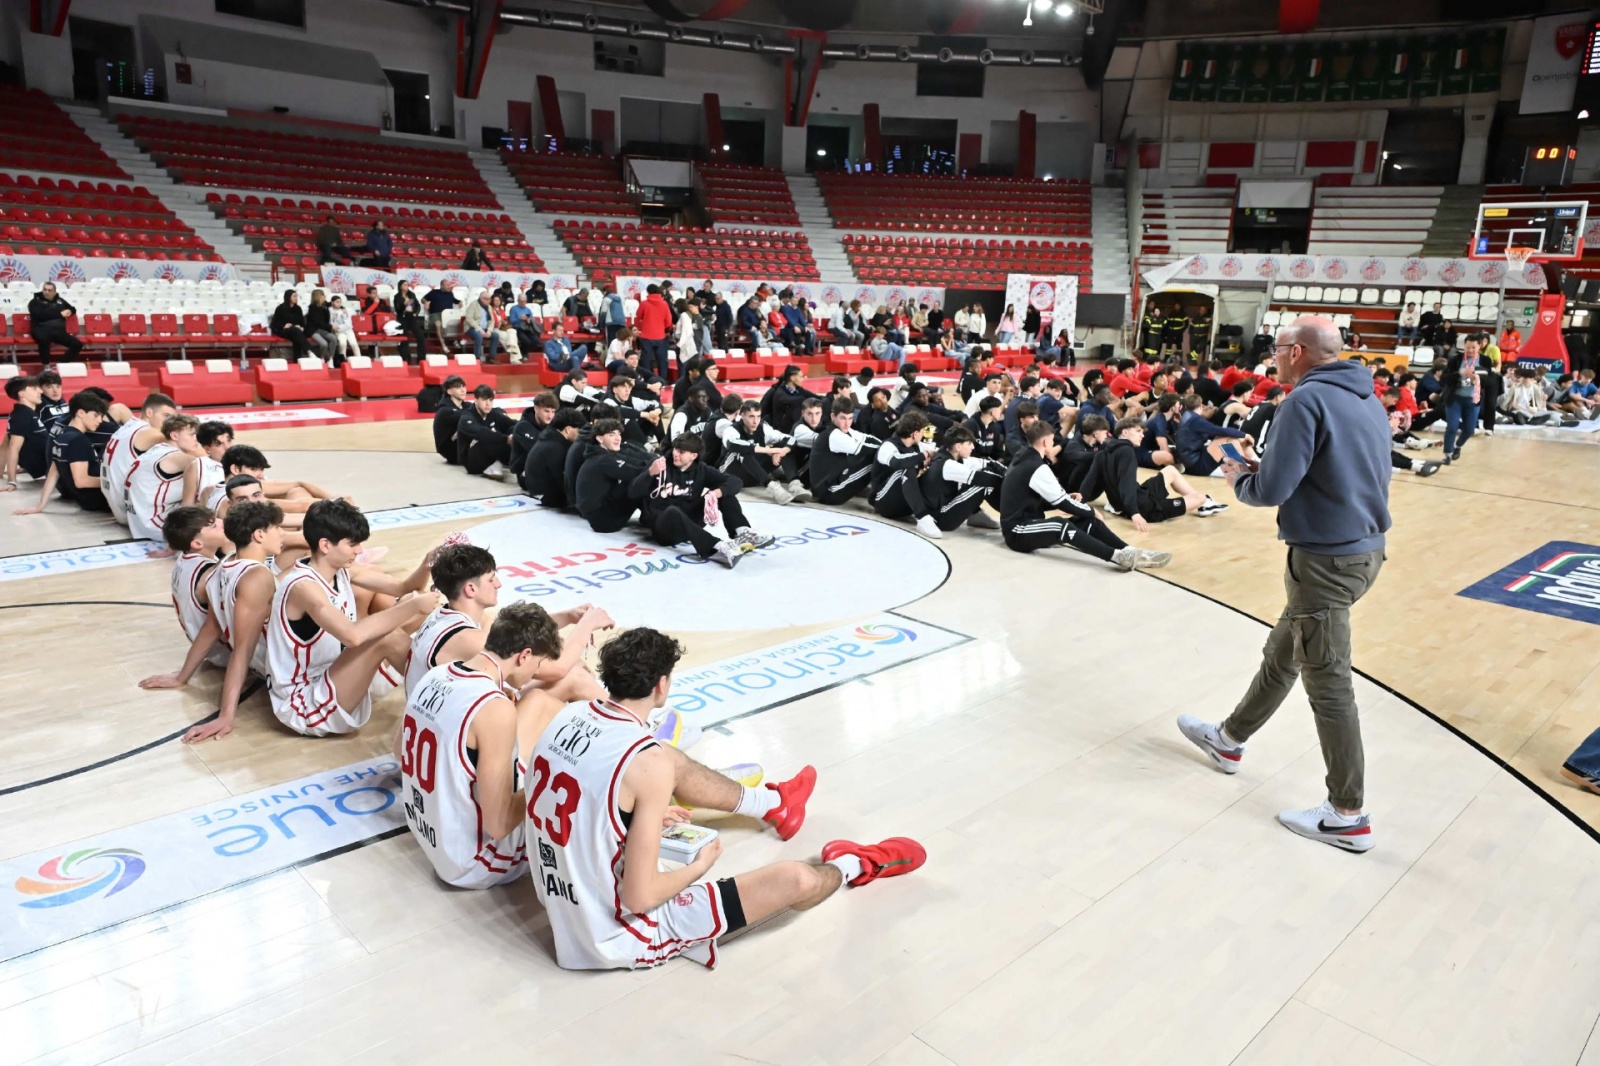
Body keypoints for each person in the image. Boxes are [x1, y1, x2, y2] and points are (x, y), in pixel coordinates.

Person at [527, 625, 922, 971]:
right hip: (617, 934)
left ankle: (773, 804)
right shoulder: (646, 762)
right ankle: (857, 864)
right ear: (661, 684)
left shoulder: (565, 716)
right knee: (797, 878)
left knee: (666, 760)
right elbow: (640, 896)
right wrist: (700, 866)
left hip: (561, 905)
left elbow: (583, 796)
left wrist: (635, 817)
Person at [1175, 314, 1390, 853]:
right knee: (1283, 651)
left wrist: (1238, 476)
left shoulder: (1303, 401)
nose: (1271, 354)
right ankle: (1228, 740)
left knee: (1329, 685)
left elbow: (1269, 490)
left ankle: (1348, 813)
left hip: (1324, 562)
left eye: (1276, 347)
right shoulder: (1365, 397)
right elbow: (1328, 469)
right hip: (1364, 552)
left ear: (1297, 352)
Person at [267, 500, 437, 737]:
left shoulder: (342, 571)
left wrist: (428, 563)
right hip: (304, 702)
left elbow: (404, 587)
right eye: (353, 544)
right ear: (325, 545)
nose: (359, 551)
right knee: (387, 634)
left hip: (334, 675)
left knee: (416, 617)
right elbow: (353, 636)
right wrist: (413, 605)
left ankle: (444, 694)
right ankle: (442, 703)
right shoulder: (302, 587)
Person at [138, 501, 285, 741]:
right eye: (277, 527)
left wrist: (182, 676)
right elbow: (242, 649)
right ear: (259, 534)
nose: (282, 532)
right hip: (277, 666)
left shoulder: (222, 566)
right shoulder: (253, 576)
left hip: (254, 659)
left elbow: (211, 628)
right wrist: (226, 715)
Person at [999, 421, 1167, 570]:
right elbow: (1063, 503)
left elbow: (1044, 500)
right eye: (1052, 440)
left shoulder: (1025, 459)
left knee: (1088, 522)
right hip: (1017, 531)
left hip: (1029, 523)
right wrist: (1090, 510)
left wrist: (1082, 510)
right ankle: (1116, 556)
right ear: (1045, 441)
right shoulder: (1035, 466)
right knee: (1061, 524)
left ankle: (1129, 550)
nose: (1054, 443)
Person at [632, 434, 775, 569]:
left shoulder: (701, 469)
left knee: (724, 494)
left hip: (690, 520)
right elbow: (632, 492)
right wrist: (650, 473)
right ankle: (718, 546)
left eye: (681, 452)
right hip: (664, 527)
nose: (675, 454)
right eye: (675, 449)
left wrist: (715, 493)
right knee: (672, 511)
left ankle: (742, 532)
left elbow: (735, 481)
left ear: (693, 456)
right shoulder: (659, 464)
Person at [1078, 417, 1226, 527]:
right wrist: (1135, 513)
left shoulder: (1102, 453)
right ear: (1125, 432)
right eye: (1138, 431)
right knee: (1200, 497)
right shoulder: (1127, 451)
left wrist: (1078, 503)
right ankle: (1205, 502)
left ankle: (1206, 504)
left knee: (1170, 470)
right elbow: (1126, 483)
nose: (1142, 435)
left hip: (1139, 495)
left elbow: (1088, 482)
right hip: (1146, 509)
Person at [13, 390, 111, 514]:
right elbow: (81, 481)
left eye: (101, 416)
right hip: (100, 500)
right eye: (96, 415)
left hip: (86, 501)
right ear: (81, 413)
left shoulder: (61, 436)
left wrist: (40, 505)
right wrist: (113, 482)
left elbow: (53, 473)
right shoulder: (78, 440)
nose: (100, 420)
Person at [126, 414, 202, 545]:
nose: (196, 439)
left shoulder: (156, 450)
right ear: (174, 436)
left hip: (138, 522)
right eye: (191, 435)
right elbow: (214, 468)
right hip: (157, 525)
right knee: (211, 492)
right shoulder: (176, 457)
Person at [916, 426, 1004, 538]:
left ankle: (975, 514)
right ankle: (1014, 516)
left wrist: (1004, 472)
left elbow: (988, 463)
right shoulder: (948, 464)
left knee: (989, 472)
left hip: (943, 509)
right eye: (969, 444)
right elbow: (985, 479)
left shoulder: (949, 456)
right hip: (941, 518)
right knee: (985, 484)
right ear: (958, 446)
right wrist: (1010, 481)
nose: (973, 447)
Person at [718, 400, 807, 505]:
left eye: (758, 416)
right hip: (731, 473)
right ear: (742, 415)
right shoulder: (732, 429)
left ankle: (794, 483)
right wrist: (769, 451)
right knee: (742, 451)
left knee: (783, 446)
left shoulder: (763, 428)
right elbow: (733, 445)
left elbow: (790, 439)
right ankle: (772, 487)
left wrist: (781, 452)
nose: (755, 421)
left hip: (755, 474)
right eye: (751, 416)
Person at [575, 418, 650, 532]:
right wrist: (653, 468)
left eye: (618, 433)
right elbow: (633, 472)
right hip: (604, 521)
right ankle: (651, 517)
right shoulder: (603, 460)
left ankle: (649, 515)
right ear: (600, 438)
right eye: (611, 434)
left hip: (597, 517)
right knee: (639, 481)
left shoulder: (599, 455)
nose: (618, 438)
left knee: (639, 478)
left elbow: (630, 462)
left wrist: (649, 462)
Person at [1, 376, 50, 489]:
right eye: (34, 388)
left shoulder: (27, 412)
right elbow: (13, 448)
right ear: (22, 394)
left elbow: (5, 442)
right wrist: (11, 481)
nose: (40, 391)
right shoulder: (22, 415)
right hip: (49, 468)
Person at [457, 385, 515, 477]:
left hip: (490, 453)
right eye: (484, 400)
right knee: (487, 436)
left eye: (490, 400)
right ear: (476, 400)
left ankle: (521, 464)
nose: (488, 404)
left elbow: (512, 423)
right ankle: (496, 464)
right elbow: (481, 433)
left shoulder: (493, 413)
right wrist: (506, 439)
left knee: (514, 431)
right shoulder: (466, 417)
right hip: (471, 462)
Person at [1439, 345, 1481, 464]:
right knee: (1452, 426)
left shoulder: (1485, 360)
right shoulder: (1455, 359)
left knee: (1469, 429)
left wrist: (1477, 379)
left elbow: (1490, 380)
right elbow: (1444, 378)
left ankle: (1458, 445)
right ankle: (1447, 454)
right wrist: (1459, 373)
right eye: (1468, 347)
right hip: (1455, 398)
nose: (1470, 350)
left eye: (1473, 348)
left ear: (1479, 347)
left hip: (1473, 399)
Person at [635, 283, 673, 380]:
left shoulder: (644, 304)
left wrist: (640, 328)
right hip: (660, 336)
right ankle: (662, 380)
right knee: (662, 360)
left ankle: (648, 380)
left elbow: (638, 317)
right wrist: (663, 327)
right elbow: (669, 321)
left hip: (646, 336)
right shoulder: (664, 304)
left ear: (648, 292)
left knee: (646, 360)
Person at [432, 376, 468, 465]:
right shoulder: (445, 410)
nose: (463, 390)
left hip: (460, 446)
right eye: (458, 387)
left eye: (463, 386)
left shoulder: (465, 406)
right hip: (452, 451)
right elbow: (468, 417)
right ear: (449, 391)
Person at [462, 291, 501, 363]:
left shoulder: (489, 307)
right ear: (481, 298)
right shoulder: (473, 305)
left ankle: (491, 357)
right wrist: (479, 329)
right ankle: (477, 358)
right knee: (479, 335)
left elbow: (491, 321)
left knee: (495, 335)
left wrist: (489, 330)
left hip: (484, 328)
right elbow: (469, 319)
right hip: (471, 328)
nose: (489, 301)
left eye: (490, 299)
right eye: (487, 299)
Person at [393, 280, 427, 362]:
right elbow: (397, 309)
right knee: (404, 338)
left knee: (420, 337)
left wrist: (416, 313)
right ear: (400, 286)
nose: (407, 286)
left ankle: (421, 358)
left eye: (407, 285)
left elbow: (418, 305)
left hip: (411, 317)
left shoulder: (412, 294)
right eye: (405, 285)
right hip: (402, 318)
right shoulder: (397, 297)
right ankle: (406, 358)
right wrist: (404, 304)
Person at [270, 290, 310, 359]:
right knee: (296, 332)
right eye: (294, 296)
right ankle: (309, 351)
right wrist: (283, 325)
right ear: (288, 297)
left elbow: (302, 322)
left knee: (297, 334)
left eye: (297, 296)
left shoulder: (298, 308)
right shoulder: (280, 308)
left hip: (295, 331)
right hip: (282, 330)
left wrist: (301, 327)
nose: (296, 298)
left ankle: (297, 359)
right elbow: (274, 324)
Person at [423, 284, 459, 354]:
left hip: (448, 314)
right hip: (436, 314)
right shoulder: (434, 292)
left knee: (457, 321)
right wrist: (425, 302)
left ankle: (455, 340)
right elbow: (423, 299)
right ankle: (443, 344)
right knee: (438, 324)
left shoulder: (450, 294)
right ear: (442, 286)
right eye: (447, 285)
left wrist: (460, 302)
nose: (449, 286)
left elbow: (455, 301)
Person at [327, 295, 359, 365]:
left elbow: (348, 323)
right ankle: (343, 360)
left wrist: (339, 327)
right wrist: (336, 328)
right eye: (337, 302)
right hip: (338, 331)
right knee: (342, 343)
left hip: (348, 330)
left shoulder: (344, 310)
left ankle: (359, 360)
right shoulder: (329, 310)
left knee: (353, 344)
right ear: (332, 302)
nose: (339, 304)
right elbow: (330, 322)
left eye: (340, 302)